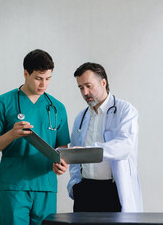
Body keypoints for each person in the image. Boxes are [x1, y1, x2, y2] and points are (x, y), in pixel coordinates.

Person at [0, 49, 70, 225]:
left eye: (48, 78)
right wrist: (11, 135)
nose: (43, 84)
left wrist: (62, 165)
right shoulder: (3, 103)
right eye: (38, 78)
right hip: (15, 186)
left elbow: (63, 150)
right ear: (25, 73)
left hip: (45, 186)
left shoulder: (57, 108)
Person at [54, 62, 143, 212]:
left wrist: (89, 151)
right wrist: (75, 184)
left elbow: (125, 145)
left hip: (113, 189)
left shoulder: (124, 110)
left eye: (89, 86)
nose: (85, 92)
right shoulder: (81, 117)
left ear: (103, 83)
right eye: (81, 87)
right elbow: (75, 155)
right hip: (85, 190)